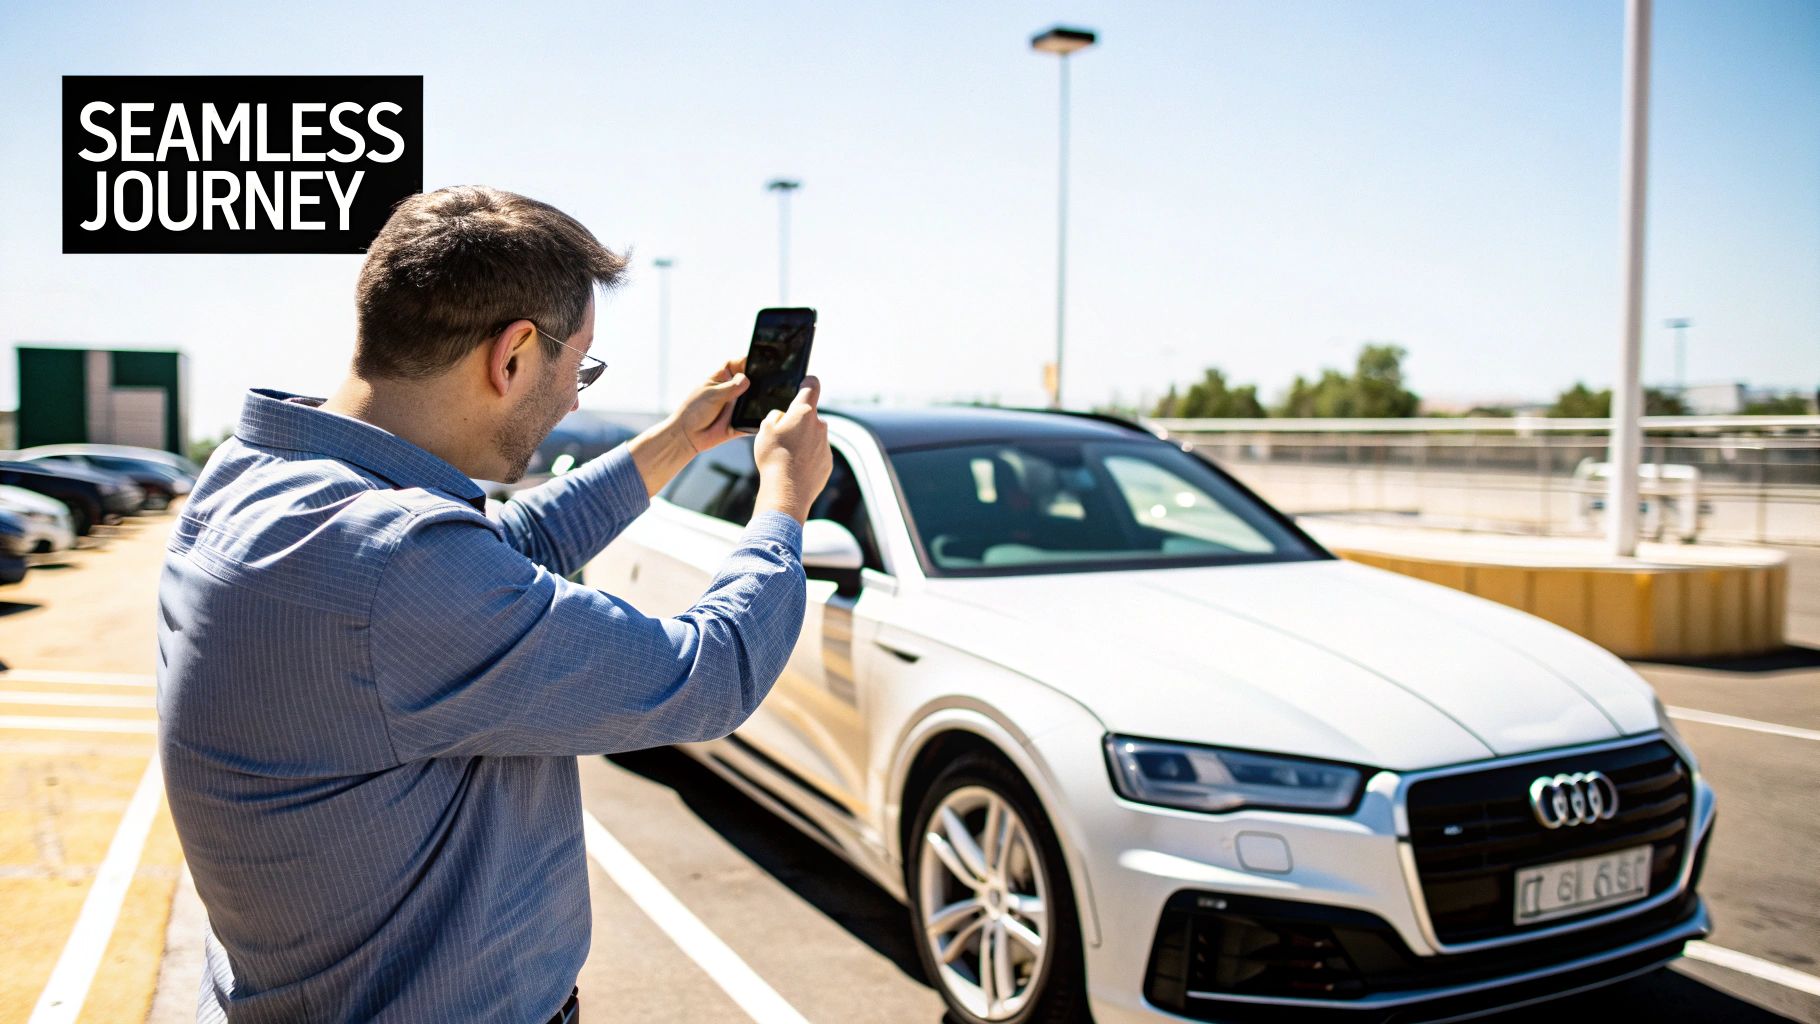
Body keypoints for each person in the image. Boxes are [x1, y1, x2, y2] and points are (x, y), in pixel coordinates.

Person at [155, 185, 832, 1023]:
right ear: (510, 357)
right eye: (576, 367)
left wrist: (681, 440)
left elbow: (506, 553)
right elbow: (707, 675)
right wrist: (785, 505)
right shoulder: (396, 566)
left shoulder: (260, 480)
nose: (576, 398)